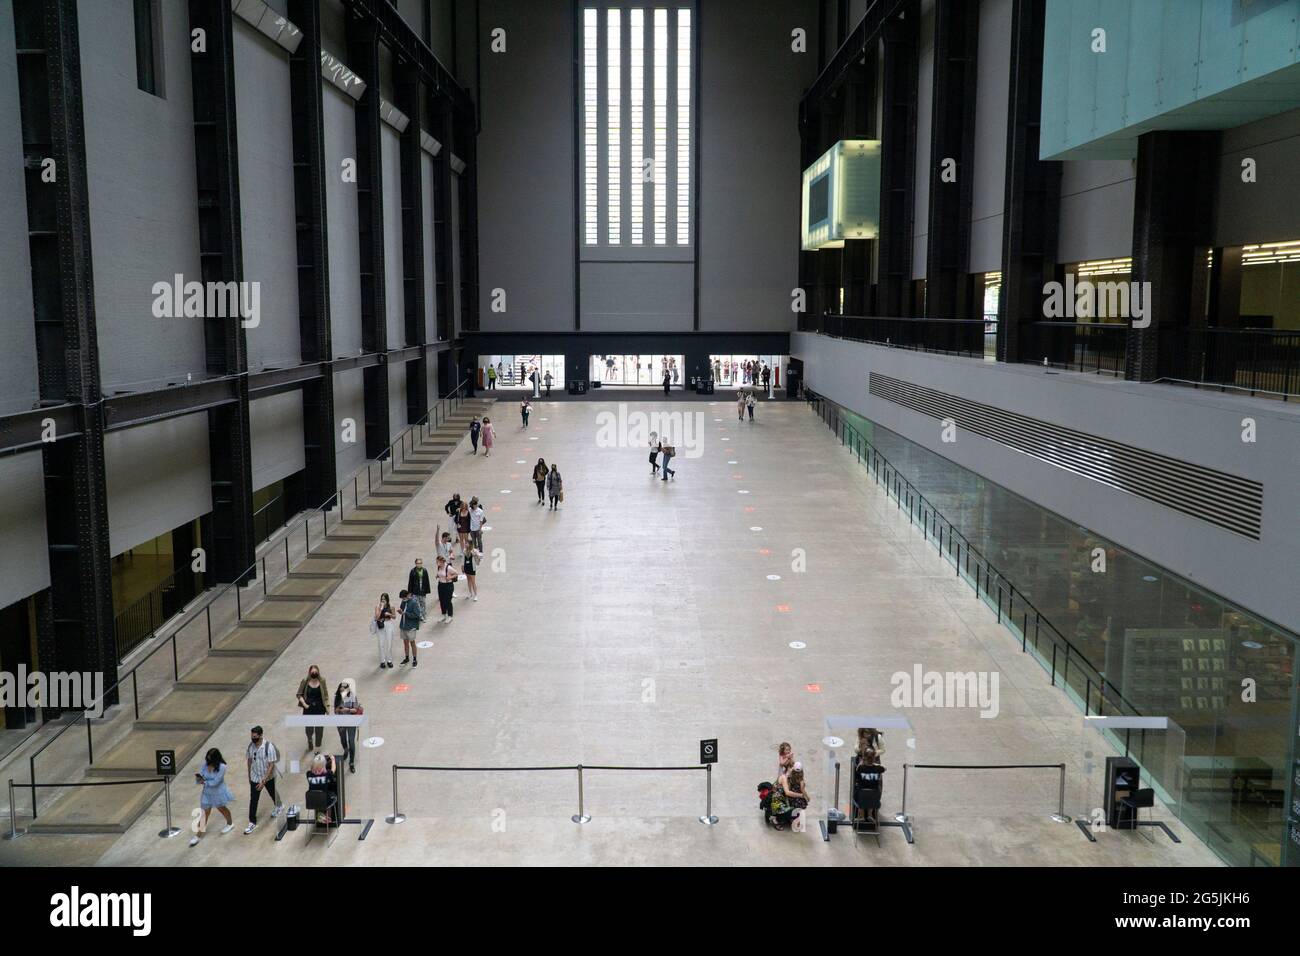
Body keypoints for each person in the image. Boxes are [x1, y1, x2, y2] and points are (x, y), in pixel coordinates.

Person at [190, 748, 235, 846]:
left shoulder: (222, 767)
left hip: (218, 792)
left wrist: (205, 782)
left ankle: (230, 823)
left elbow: (216, 781)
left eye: (210, 759)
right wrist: (199, 779)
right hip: (207, 793)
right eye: (207, 758)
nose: (208, 761)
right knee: (204, 813)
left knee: (222, 809)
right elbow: (201, 777)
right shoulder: (205, 765)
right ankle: (198, 835)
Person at [244, 727, 282, 834]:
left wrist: (263, 781)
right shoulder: (251, 747)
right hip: (255, 777)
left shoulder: (268, 747)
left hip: (267, 776)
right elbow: (249, 761)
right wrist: (249, 776)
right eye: (252, 737)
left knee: (272, 792)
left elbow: (271, 765)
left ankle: (279, 806)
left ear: (261, 735)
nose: (253, 739)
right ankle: (252, 822)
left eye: (255, 737)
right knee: (254, 799)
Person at [296, 665, 328, 749]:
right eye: (312, 672)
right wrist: (304, 704)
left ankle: (317, 748)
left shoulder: (322, 681)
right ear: (309, 672)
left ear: (318, 672)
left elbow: (325, 695)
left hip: (320, 709)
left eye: (316, 671)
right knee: (309, 729)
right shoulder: (305, 681)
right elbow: (299, 694)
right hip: (308, 709)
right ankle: (309, 739)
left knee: (319, 730)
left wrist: (327, 707)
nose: (314, 673)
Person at [334, 682, 363, 774]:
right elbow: (335, 711)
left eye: (344, 691)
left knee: (351, 741)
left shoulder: (353, 697)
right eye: (341, 690)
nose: (342, 692)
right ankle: (345, 749)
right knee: (343, 739)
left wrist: (348, 710)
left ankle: (351, 762)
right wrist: (339, 709)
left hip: (351, 721)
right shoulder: (337, 697)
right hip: (341, 721)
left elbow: (356, 709)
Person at [305, 753, 338, 825]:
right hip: (324, 802)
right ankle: (327, 818)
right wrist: (332, 759)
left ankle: (320, 816)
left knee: (319, 796)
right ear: (323, 766)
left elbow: (311, 770)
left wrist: (315, 761)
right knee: (332, 795)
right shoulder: (327, 774)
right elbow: (333, 769)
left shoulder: (308, 774)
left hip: (311, 802)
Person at [398, 589, 421, 667]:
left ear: (408, 595)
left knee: (412, 643)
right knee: (405, 643)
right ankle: (407, 658)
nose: (403, 600)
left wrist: (405, 613)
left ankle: (414, 659)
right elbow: (402, 608)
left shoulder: (414, 603)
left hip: (411, 626)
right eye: (402, 599)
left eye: (404, 598)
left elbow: (417, 615)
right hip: (403, 625)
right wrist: (401, 611)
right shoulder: (403, 602)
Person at [373, 593, 396, 668]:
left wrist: (389, 614)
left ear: (387, 599)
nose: (383, 601)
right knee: (381, 644)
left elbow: (394, 617)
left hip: (388, 624)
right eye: (382, 599)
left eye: (384, 599)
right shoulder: (378, 606)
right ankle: (382, 661)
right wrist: (381, 609)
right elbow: (376, 617)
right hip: (381, 624)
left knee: (389, 643)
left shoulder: (391, 606)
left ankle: (389, 660)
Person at [435, 554, 457, 623]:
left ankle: (450, 616)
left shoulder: (448, 567)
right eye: (436, 562)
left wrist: (450, 577)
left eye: (438, 562)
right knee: (442, 600)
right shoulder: (439, 567)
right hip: (441, 585)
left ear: (442, 561)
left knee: (448, 601)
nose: (437, 563)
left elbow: (456, 573)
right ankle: (443, 614)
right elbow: (440, 573)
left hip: (448, 586)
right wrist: (437, 575)